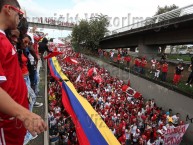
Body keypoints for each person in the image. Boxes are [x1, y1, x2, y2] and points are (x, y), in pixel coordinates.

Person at [0, 1, 47, 145]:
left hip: (14, 122)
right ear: (8, 9)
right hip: (6, 125)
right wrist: (25, 114)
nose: (20, 18)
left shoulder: (4, 39)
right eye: (19, 13)